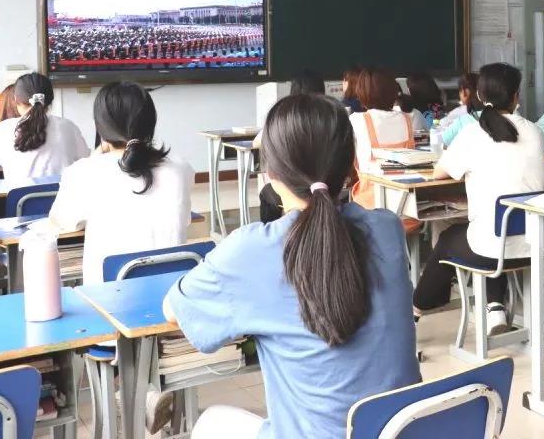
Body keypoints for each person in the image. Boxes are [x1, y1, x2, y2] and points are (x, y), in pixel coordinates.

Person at [164, 93, 420, 439]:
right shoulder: (387, 229)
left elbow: (173, 311)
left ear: (269, 172)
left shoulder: (249, 252)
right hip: (402, 431)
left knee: (211, 422)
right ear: (351, 165)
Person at [413, 64, 544, 333]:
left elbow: (439, 172)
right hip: (537, 246)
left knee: (449, 239)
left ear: (478, 94)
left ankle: (415, 310)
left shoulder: (473, 133)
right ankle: (495, 311)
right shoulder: (534, 131)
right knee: (489, 229)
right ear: (516, 96)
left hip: (490, 250)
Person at [47, 81, 192, 286]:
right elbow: (184, 220)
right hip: (171, 292)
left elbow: (60, 221)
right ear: (151, 123)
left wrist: (93, 157)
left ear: (100, 127)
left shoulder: (84, 172)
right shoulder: (180, 168)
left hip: (108, 296)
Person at [0, 72, 89, 186]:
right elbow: (87, 163)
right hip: (63, 197)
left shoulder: (2, 131)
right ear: (50, 100)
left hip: (20, 198)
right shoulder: (68, 127)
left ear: (15, 99)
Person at [256, 70, 327, 224]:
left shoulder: (285, 117)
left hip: (296, 189)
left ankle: (273, 231)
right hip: (331, 186)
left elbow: (258, 141)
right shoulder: (332, 116)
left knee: (266, 193)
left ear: (294, 90)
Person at [349, 68, 417, 208]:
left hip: (370, 206)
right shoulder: (406, 119)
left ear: (362, 92)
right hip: (406, 206)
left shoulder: (357, 121)